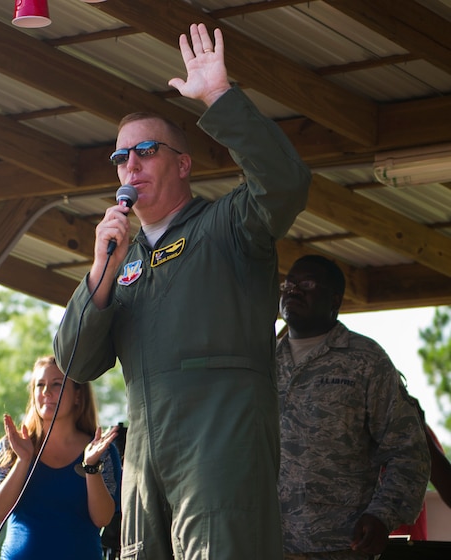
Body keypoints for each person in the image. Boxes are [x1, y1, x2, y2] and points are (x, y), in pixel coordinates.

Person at [53, 23, 311, 560]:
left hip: (221, 448)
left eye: (146, 151)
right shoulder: (122, 257)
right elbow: (74, 360)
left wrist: (219, 96)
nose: (131, 166)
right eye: (121, 158)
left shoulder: (227, 225)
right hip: (145, 458)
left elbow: (285, 182)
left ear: (183, 164)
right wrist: (102, 269)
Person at [277, 255, 431, 558]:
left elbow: (408, 451)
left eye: (306, 284)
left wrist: (382, 514)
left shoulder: (366, 360)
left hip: (341, 545)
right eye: (289, 284)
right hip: (268, 542)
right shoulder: (262, 362)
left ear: (335, 299)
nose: (293, 291)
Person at [0, 356, 122, 560]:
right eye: (40, 385)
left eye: (57, 384)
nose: (46, 392)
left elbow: (102, 518)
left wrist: (91, 466)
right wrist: (24, 460)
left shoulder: (102, 451)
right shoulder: (12, 446)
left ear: (78, 396)